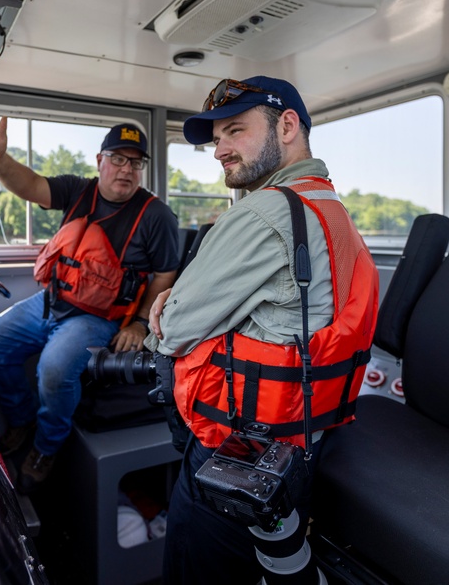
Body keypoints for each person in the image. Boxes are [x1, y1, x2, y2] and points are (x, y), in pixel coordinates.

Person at [144, 76, 379, 584]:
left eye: (235, 131)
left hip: (238, 448)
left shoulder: (264, 212)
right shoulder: (331, 208)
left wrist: (169, 301)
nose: (219, 151)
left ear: (288, 125)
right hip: (306, 433)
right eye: (216, 140)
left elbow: (175, 328)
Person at [0, 118, 179, 493]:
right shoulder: (78, 191)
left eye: (135, 162)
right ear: (100, 160)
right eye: (118, 158)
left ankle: (47, 448)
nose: (126, 169)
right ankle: (22, 419)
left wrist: (140, 323)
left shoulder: (156, 216)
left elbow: (165, 275)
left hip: (99, 318)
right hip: (49, 302)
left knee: (54, 369)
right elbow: (30, 186)